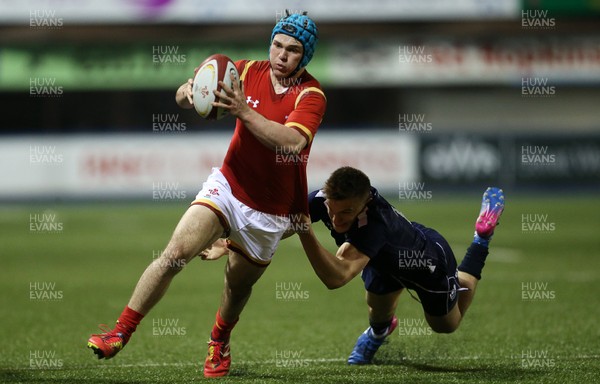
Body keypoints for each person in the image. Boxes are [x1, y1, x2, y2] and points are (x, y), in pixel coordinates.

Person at [86, 11, 326, 378]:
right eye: (277, 44)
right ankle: (120, 331)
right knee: (175, 255)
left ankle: (219, 339)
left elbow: (292, 142)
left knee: (236, 284)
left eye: (292, 50)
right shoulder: (244, 72)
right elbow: (189, 97)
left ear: (304, 57)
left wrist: (243, 111)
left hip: (272, 212)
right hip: (229, 186)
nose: (281, 55)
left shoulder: (311, 94)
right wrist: (190, 92)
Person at [295, 166, 505, 364]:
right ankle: (377, 333)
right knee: (377, 308)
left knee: (446, 325)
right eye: (332, 210)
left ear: (365, 201)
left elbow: (336, 277)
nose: (335, 220)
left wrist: (305, 231)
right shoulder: (324, 198)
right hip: (384, 262)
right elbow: (285, 221)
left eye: (346, 213)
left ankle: (481, 239)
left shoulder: (376, 224)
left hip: (426, 265)